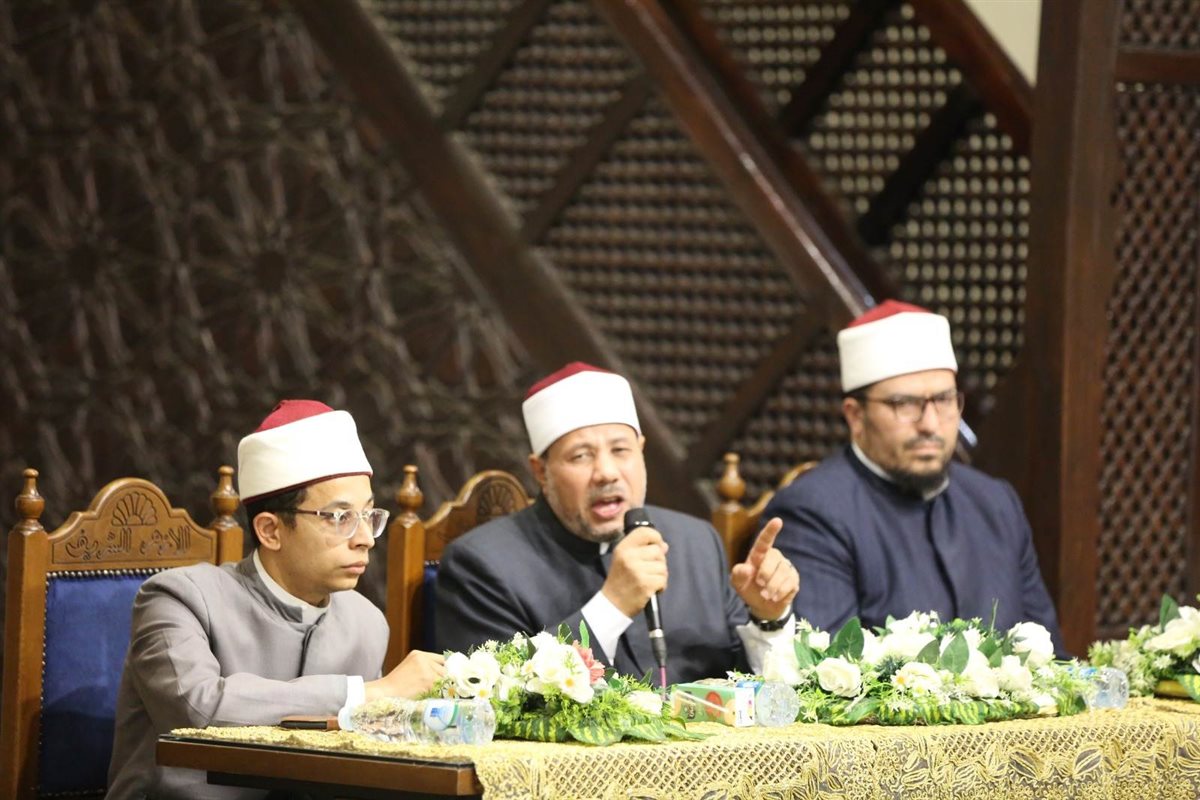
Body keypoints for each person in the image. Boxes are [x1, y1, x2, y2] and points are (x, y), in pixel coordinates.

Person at [107, 400, 445, 800]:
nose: (365, 539)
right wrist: (367, 695)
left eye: (369, 515)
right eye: (340, 518)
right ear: (270, 530)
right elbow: (198, 709)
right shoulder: (179, 599)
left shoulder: (365, 622)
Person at [435, 363, 800, 685]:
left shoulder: (696, 541)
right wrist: (613, 606)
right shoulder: (482, 566)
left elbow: (746, 688)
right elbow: (496, 699)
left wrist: (768, 619)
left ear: (641, 450)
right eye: (581, 456)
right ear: (540, 471)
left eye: (621, 450)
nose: (607, 472)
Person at [764, 300, 1066, 652]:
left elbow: (1052, 658)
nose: (930, 424)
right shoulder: (812, 512)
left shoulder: (995, 503)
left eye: (944, 400)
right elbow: (827, 670)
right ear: (855, 416)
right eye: (904, 404)